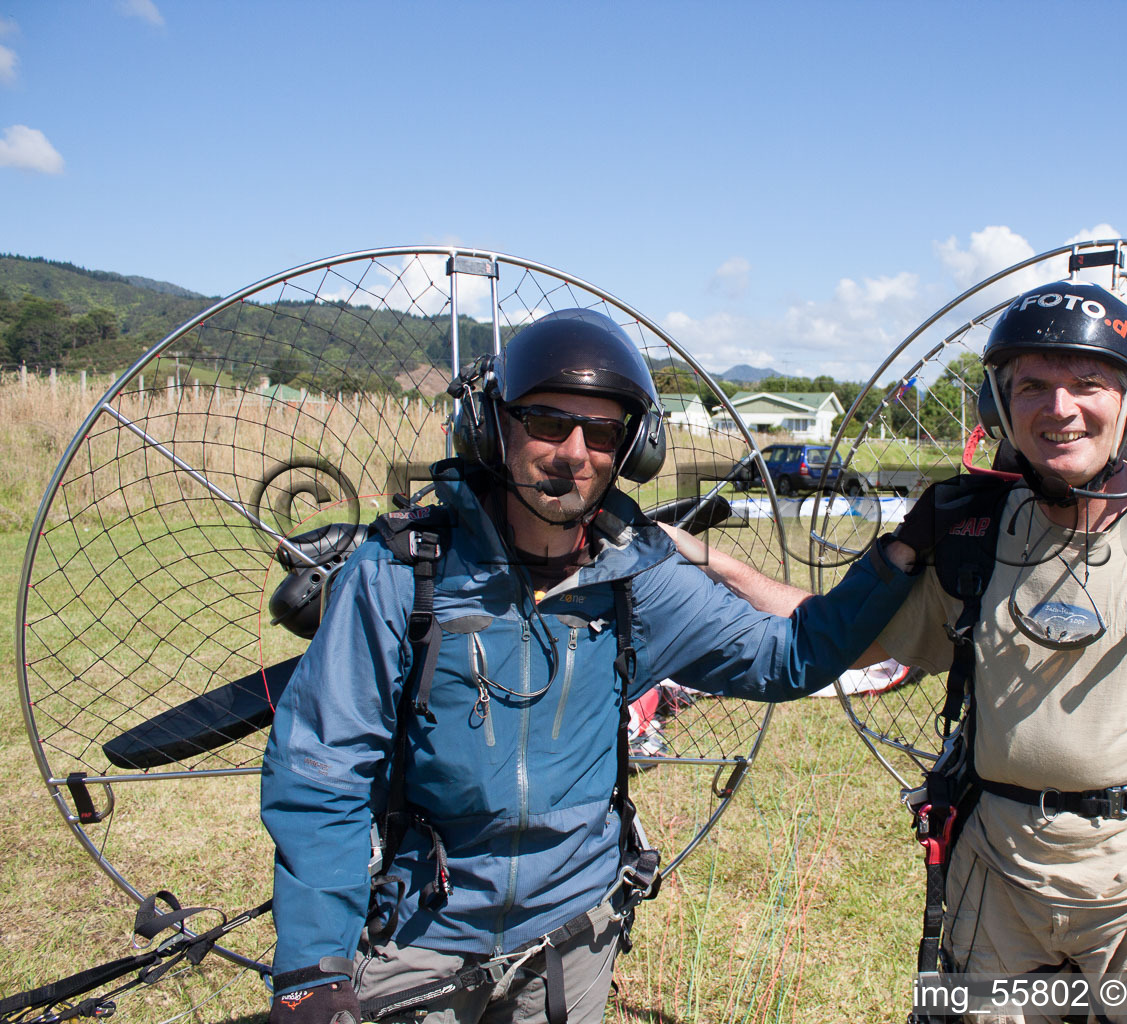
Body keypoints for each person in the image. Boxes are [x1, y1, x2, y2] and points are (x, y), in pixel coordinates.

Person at [677, 282, 1127, 1024]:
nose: (1060, 408)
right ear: (998, 408)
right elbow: (835, 637)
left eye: (1089, 384)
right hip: (994, 889)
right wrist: (712, 564)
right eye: (1033, 387)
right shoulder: (974, 538)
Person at [260, 308, 918, 1024]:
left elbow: (791, 657)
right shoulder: (401, 572)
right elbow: (322, 765)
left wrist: (899, 556)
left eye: (601, 433)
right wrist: (311, 969)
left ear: (628, 452)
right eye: (546, 422)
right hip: (423, 935)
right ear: (493, 428)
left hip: (574, 940)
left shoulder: (639, 579)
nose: (573, 453)